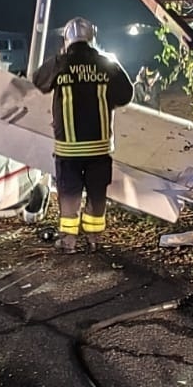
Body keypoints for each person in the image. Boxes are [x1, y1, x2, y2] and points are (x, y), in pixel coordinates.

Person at [32, 18, 132, 252]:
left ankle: (69, 241)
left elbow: (38, 81)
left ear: (66, 39)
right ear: (92, 37)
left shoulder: (59, 62)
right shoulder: (106, 63)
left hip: (69, 147)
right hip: (99, 146)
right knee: (97, 193)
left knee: (69, 192)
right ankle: (94, 239)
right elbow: (126, 94)